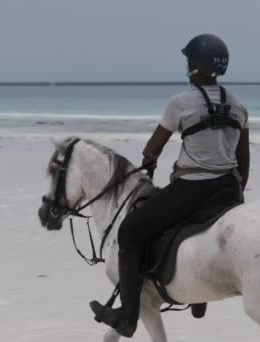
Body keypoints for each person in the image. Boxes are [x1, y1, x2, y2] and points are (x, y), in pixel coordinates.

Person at [90, 33, 250, 337]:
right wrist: (236, 191)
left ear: (195, 65)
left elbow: (154, 147)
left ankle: (127, 316)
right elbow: (244, 162)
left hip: (192, 188)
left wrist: (148, 164)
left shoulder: (180, 102)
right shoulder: (239, 106)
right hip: (228, 190)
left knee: (130, 231)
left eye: (189, 60)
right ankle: (197, 298)